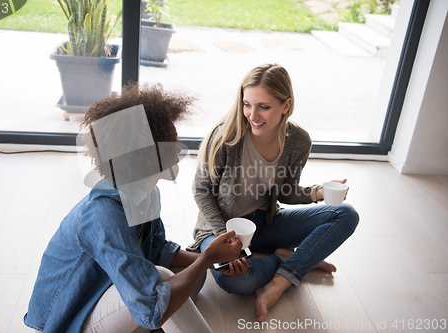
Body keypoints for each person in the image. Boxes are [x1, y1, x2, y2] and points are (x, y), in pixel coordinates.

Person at [24, 84, 246, 333]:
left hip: (110, 290)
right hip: (73, 319)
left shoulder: (146, 192)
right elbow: (150, 308)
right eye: (171, 141)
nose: (179, 145)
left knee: (191, 275)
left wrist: (215, 262)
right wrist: (207, 257)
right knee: (163, 278)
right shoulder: (103, 215)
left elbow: (156, 248)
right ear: (148, 155)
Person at [187, 64, 360, 322]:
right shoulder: (225, 136)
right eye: (247, 104)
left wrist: (317, 192)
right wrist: (225, 236)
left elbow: (285, 193)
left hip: (265, 223)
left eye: (263, 107)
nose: (252, 115)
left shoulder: (298, 140)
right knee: (237, 282)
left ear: (286, 105)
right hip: (219, 229)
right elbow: (201, 190)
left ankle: (281, 281)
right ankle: (299, 260)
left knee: (346, 214)